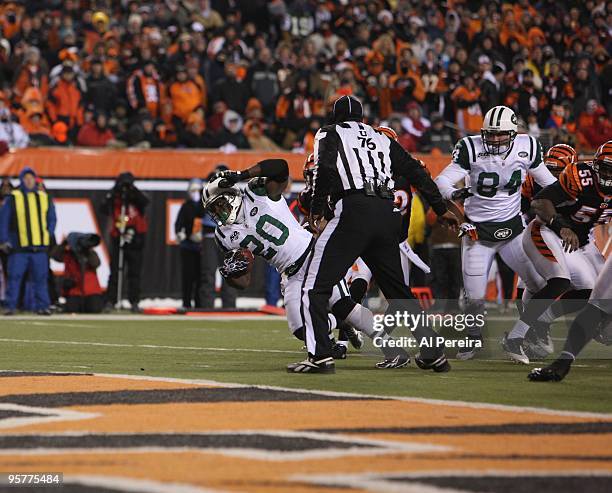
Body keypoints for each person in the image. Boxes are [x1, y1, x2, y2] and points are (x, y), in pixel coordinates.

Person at [292, 95, 459, 373]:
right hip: (386, 213)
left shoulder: (329, 132)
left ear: (335, 117)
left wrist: (317, 212)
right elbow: (417, 173)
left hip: (354, 209)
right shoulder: (381, 137)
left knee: (314, 288)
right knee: (399, 292)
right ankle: (433, 351)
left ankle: (320, 355)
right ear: (361, 118)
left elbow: (325, 169)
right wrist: (440, 209)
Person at [203, 159, 406, 367]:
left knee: (344, 307)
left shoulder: (256, 192)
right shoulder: (223, 235)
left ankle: (394, 350)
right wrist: (231, 275)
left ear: (231, 194)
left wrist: (241, 174)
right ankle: (336, 326)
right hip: (289, 274)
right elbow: (243, 282)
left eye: (220, 204)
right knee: (300, 329)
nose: (219, 212)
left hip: (312, 254)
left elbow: (281, 167)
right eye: (214, 210)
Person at [435, 105, 556, 360]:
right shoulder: (471, 147)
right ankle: (473, 338)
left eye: (500, 134)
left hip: (513, 230)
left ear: (513, 133)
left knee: (537, 283)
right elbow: (441, 181)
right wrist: (454, 194)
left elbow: (550, 183)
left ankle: (527, 333)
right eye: (490, 133)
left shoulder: (528, 146)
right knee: (475, 296)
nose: (494, 139)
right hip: (478, 233)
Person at [506, 141, 611, 363]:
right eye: (604, 168)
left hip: (576, 241)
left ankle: (543, 318)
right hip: (547, 230)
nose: (607, 174)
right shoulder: (580, 176)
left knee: (592, 293)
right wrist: (560, 226)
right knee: (559, 281)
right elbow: (540, 200)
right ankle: (515, 338)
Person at [0, 167, 56, 315]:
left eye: (32, 178)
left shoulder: (44, 197)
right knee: (14, 278)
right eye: (26, 178)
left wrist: (48, 234)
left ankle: (43, 306)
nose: (29, 181)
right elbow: (4, 220)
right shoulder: (14, 197)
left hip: (39, 247)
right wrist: (4, 239)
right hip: (19, 248)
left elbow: (52, 218)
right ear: (22, 180)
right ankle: (10, 306)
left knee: (41, 279)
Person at [102, 172, 148, 312]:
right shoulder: (115, 198)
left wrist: (132, 190)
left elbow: (145, 202)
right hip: (118, 236)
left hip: (135, 238)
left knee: (134, 272)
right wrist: (115, 191)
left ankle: (134, 301)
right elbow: (103, 208)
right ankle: (111, 299)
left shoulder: (136, 197)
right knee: (115, 271)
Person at [200, 165, 236, 309]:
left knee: (231, 272)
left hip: (228, 236)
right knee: (208, 273)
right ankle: (206, 307)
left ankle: (230, 306)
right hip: (210, 236)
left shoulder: (233, 193)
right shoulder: (205, 192)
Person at [52, 233, 104, 313]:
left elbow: (96, 263)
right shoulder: (68, 254)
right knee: (72, 309)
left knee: (94, 309)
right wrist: (63, 244)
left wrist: (88, 251)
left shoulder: (90, 253)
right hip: (74, 290)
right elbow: (55, 256)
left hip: (91, 290)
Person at [175, 178, 205, 309]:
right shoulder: (186, 206)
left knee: (201, 277)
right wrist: (179, 233)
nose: (195, 193)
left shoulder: (206, 205)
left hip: (203, 247)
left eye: (197, 190)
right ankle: (186, 303)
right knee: (188, 277)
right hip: (188, 245)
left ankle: (199, 304)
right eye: (192, 190)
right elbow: (178, 223)